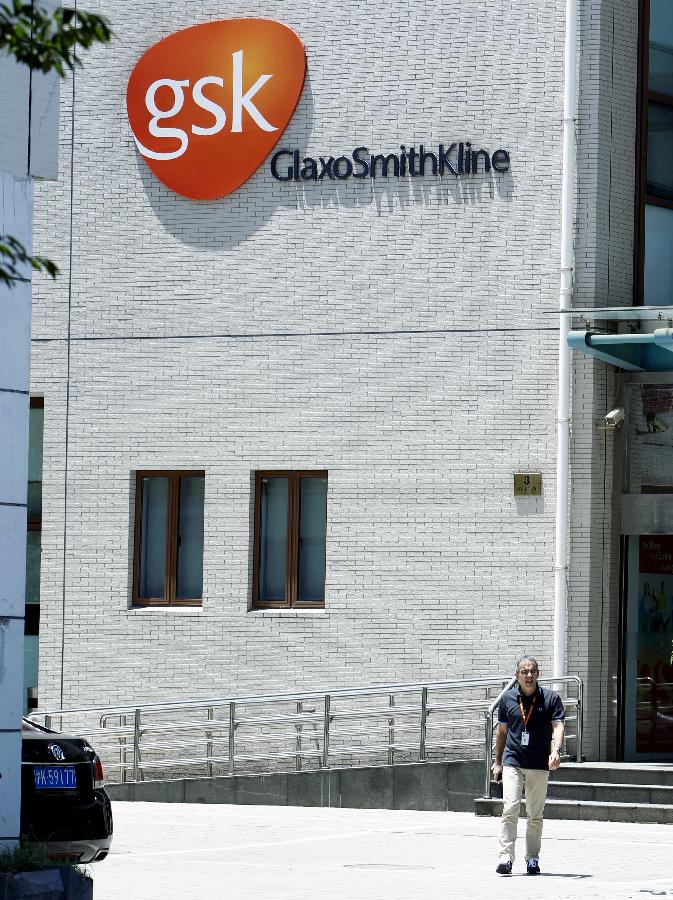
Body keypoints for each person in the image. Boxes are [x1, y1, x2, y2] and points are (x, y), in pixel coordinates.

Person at [491, 656, 565, 876]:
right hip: (513, 761)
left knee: (534, 814)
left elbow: (558, 726)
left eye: (532, 671)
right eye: (524, 672)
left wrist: (556, 751)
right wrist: (497, 762)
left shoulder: (550, 699)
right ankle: (505, 857)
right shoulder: (507, 700)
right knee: (510, 808)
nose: (529, 675)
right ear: (517, 676)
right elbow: (501, 732)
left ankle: (532, 858)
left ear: (538, 674)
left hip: (539, 763)